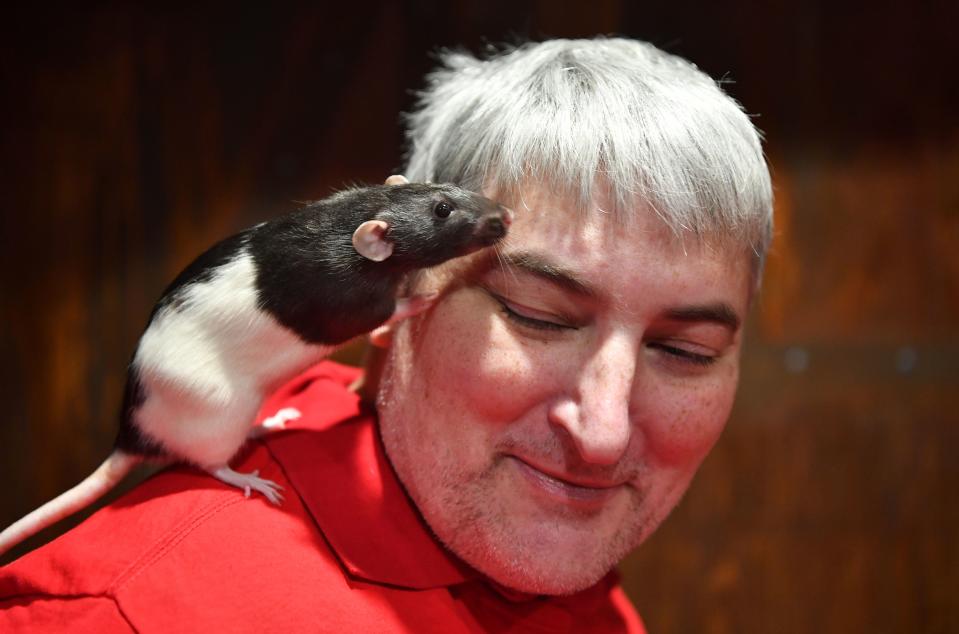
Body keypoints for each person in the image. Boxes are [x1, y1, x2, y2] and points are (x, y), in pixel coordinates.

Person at [0, 37, 772, 632]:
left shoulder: (557, 573)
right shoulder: (128, 613)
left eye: (683, 352)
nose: (601, 435)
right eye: (536, 316)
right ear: (399, 290)